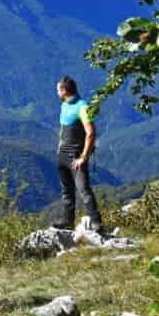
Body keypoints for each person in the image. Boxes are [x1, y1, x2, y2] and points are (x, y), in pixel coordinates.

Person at [51, 75, 103, 233]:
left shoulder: (82, 106)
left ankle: (96, 223)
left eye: (58, 89)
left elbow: (91, 133)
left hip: (75, 156)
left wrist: (83, 158)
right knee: (66, 191)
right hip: (62, 155)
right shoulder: (64, 105)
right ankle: (68, 222)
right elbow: (63, 129)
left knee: (83, 190)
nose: (56, 92)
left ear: (64, 90)